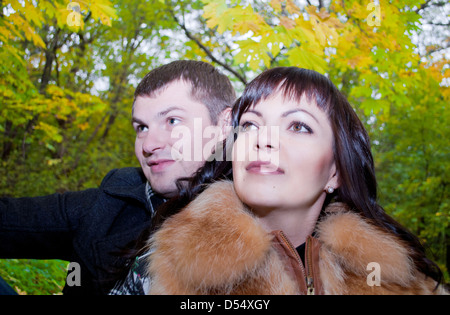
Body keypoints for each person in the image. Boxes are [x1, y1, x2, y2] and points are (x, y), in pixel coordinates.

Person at [133, 66, 445, 295]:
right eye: (250, 125)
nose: (262, 139)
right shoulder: (163, 268)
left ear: (335, 171)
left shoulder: (403, 283)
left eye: (298, 126)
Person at [0, 60, 236, 295]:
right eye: (142, 128)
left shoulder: (258, 228)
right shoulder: (111, 203)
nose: (149, 144)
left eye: (172, 121)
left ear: (224, 125)